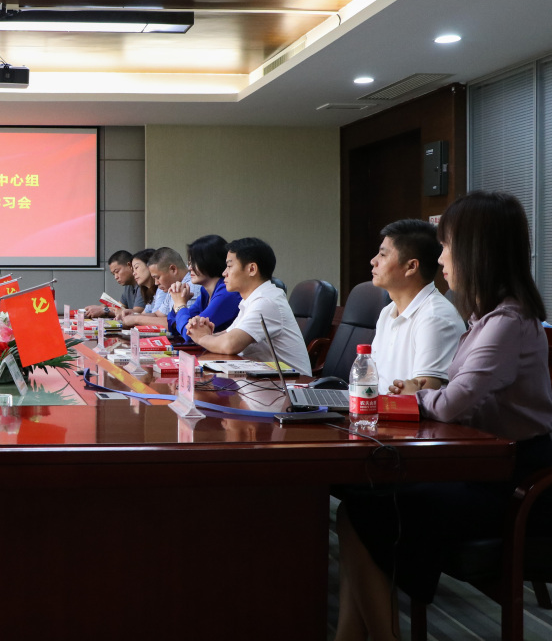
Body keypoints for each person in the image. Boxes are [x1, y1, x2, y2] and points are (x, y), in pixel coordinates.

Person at [336, 191, 552, 641]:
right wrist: (421, 391)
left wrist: (411, 399)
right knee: (359, 507)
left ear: (477, 250)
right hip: (483, 466)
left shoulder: (507, 321)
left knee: (365, 511)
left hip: (511, 483)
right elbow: (459, 392)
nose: (441, 258)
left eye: (448, 245)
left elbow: (454, 402)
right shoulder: (488, 317)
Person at [185, 237, 311, 376]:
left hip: (293, 383)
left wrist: (201, 338)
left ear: (251, 269)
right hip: (266, 380)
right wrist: (206, 333)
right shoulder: (252, 300)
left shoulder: (267, 302)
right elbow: (228, 335)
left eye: (229, 266)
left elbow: (230, 344)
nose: (224, 273)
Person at [369, 219, 465, 394]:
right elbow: (372, 378)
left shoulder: (435, 317)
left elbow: (423, 396)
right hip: (381, 407)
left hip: (404, 411)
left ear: (411, 266)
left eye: (383, 255)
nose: (373, 261)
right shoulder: (387, 312)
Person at [172, 235, 242, 342]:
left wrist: (180, 304)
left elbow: (190, 334)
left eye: (194, 263)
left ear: (210, 262)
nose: (189, 268)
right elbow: (173, 325)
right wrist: (178, 304)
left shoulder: (228, 293)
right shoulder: (205, 291)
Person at [84, 250, 145, 319]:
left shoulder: (143, 285)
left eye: (117, 271)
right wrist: (103, 307)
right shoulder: (128, 286)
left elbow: (136, 313)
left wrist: (105, 310)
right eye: (113, 274)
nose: (116, 277)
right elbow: (120, 308)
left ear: (129, 266)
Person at [147, 246, 202, 321]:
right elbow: (158, 315)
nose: (156, 283)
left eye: (158, 277)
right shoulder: (174, 285)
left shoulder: (191, 286)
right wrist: (133, 316)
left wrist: (135, 319)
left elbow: (179, 323)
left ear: (173, 269)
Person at [114, 249, 163, 328]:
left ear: (151, 266)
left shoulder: (162, 289)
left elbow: (158, 318)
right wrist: (132, 316)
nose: (134, 273)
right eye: (133, 270)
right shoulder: (149, 292)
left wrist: (135, 318)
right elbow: (145, 314)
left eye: (136, 268)